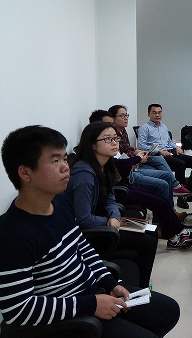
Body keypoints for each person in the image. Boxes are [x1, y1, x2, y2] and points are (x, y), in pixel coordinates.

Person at [0, 125, 180, 337]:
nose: (66, 167)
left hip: (92, 292)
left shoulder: (59, 205)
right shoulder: (11, 233)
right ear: (25, 173)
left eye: (64, 159)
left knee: (168, 310)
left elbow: (83, 248)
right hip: (71, 316)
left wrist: (110, 283)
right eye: (55, 161)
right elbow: (18, 310)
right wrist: (92, 304)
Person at [65, 123, 192, 268]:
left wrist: (115, 215)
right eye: (108, 139)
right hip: (92, 231)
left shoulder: (105, 165)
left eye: (115, 138)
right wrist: (109, 221)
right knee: (148, 238)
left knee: (151, 230)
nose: (114, 143)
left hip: (108, 217)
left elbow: (110, 198)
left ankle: (176, 235)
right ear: (92, 144)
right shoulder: (84, 175)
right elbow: (83, 219)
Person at [108, 104, 192, 195]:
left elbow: (127, 149)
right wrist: (140, 156)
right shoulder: (143, 128)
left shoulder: (123, 131)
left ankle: (183, 187)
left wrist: (176, 147)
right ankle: (176, 186)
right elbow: (125, 154)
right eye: (122, 116)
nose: (126, 118)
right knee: (168, 163)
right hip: (137, 163)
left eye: (126, 115)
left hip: (157, 154)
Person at [137, 104, 192, 187]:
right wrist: (159, 151)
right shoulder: (144, 128)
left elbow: (169, 142)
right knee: (180, 164)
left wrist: (176, 147)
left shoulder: (163, 126)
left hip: (170, 152)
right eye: (154, 113)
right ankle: (180, 188)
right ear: (149, 114)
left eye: (159, 112)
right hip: (158, 155)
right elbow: (141, 146)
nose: (157, 115)